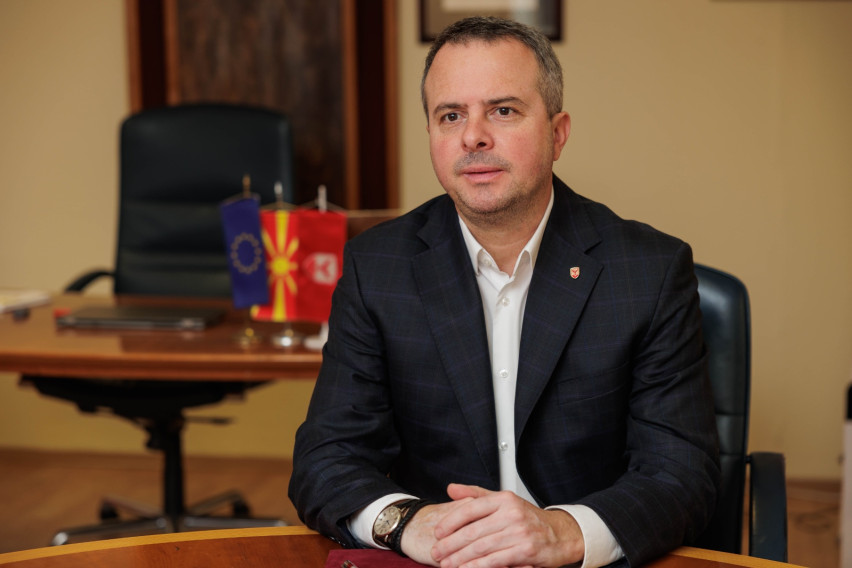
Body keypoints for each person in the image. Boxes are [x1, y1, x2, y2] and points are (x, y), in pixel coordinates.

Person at [289, 16, 719, 568]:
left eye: (503, 111)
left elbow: (681, 472)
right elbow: (326, 459)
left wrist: (562, 533)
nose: (473, 136)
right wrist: (412, 524)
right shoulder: (377, 267)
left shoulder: (649, 271)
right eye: (451, 115)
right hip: (440, 561)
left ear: (558, 133)